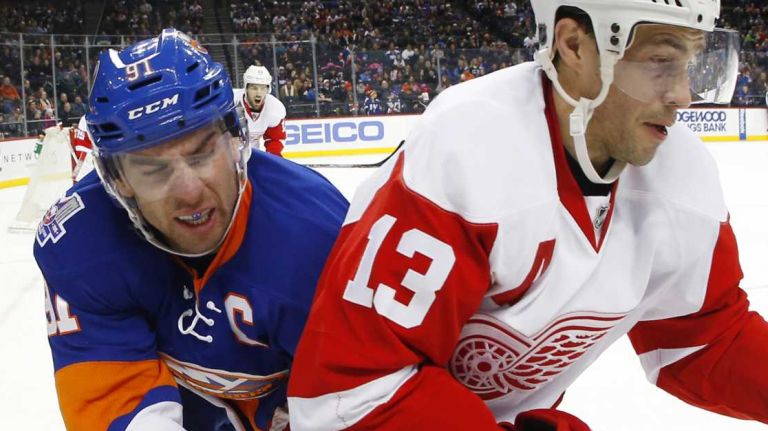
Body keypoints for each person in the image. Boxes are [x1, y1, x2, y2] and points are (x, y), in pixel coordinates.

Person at [287, 1, 767, 430]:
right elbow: (349, 398)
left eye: (689, 64)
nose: (683, 95)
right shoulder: (469, 151)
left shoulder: (681, 174)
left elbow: (707, 337)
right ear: (574, 45)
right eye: (660, 62)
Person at [34, 28, 348, 431]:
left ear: (235, 141)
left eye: (202, 153)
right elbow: (120, 406)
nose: (189, 192)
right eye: (153, 169)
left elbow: (360, 402)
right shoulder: (82, 244)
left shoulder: (317, 236)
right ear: (119, 181)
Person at [233, 65, 287, 157]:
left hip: (252, 155)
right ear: (246, 88)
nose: (259, 93)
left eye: (263, 88)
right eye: (254, 88)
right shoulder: (230, 102)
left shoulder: (275, 108)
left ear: (268, 89)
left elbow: (275, 139)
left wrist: (271, 159)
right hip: (227, 156)